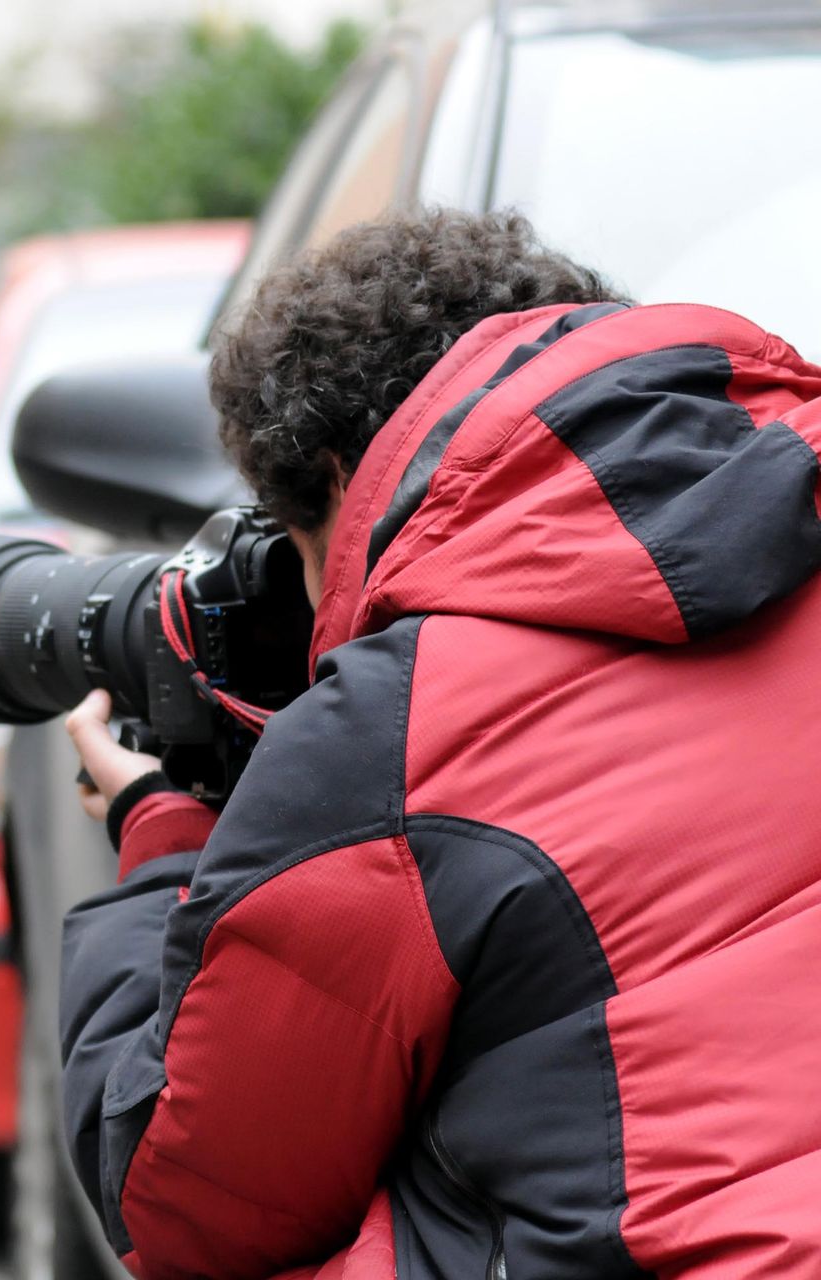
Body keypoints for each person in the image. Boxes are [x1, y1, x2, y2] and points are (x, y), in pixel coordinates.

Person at [60, 210, 821, 1278]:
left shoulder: (399, 723)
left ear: (334, 475)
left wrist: (167, 851)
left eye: (295, 550)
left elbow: (187, 1205)